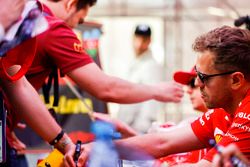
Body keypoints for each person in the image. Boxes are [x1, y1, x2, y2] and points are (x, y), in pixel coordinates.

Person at [6, 0, 184, 166]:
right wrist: (156, 91)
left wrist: (8, 119)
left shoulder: (21, 23)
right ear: (71, 4)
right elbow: (106, 88)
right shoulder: (52, 28)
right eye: (80, 19)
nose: (75, 26)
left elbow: (15, 84)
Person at [78, 26, 250, 167]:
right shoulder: (222, 109)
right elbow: (162, 142)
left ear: (236, 80)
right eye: (196, 75)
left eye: (203, 77)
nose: (196, 84)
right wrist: (98, 148)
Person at [118, 24, 165, 133]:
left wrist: (141, 131)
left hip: (137, 129)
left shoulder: (151, 66)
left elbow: (151, 102)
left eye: (144, 40)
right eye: (137, 39)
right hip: (127, 127)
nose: (139, 44)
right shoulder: (134, 63)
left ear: (149, 41)